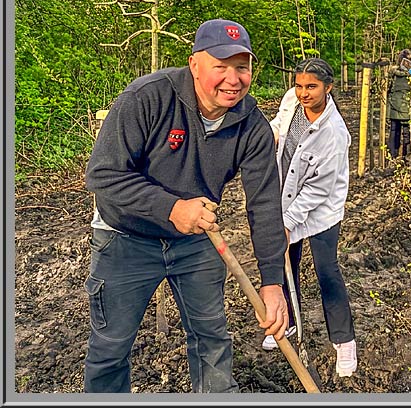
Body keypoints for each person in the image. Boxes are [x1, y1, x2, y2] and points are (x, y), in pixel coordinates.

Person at [84, 19, 289, 393]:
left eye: (242, 67)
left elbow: (264, 203)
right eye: (221, 66)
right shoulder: (148, 98)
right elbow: (102, 175)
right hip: (125, 239)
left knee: (211, 339)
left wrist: (273, 282)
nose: (233, 78)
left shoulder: (252, 126)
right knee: (110, 348)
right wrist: (172, 208)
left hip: (196, 242)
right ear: (195, 65)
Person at [262, 57, 357, 378]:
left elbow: (318, 190)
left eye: (312, 87)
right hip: (286, 196)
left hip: (321, 210)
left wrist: (288, 223)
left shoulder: (333, 132)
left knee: (326, 270)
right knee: (285, 263)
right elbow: (279, 124)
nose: (303, 93)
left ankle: (344, 342)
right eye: (300, 85)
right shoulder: (292, 101)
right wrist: (271, 136)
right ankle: (286, 324)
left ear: (328, 88)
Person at [386, 49, 411, 159]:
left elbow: (387, 88)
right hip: (410, 106)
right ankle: (408, 156)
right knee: (408, 132)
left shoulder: (392, 73)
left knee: (394, 130)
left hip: (394, 106)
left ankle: (392, 154)